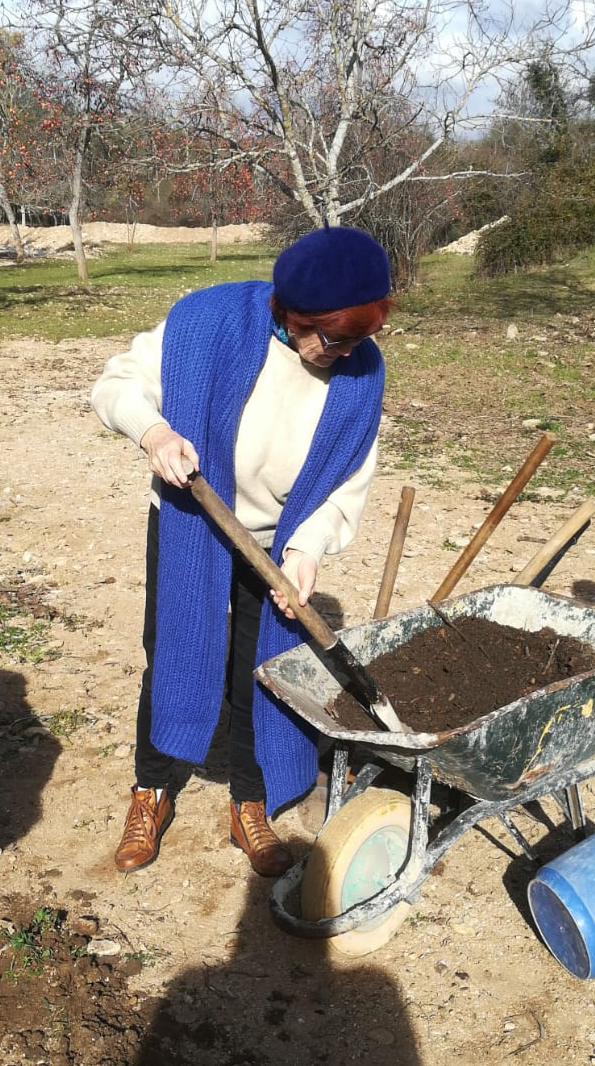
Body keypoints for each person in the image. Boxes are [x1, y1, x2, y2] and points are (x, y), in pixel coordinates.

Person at [91, 223, 392, 878]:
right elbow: (116, 385)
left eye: (360, 337)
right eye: (333, 338)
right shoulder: (207, 321)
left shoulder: (361, 372)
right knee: (171, 648)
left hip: (273, 547)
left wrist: (307, 551)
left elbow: (347, 485)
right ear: (290, 312)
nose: (345, 353)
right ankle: (153, 788)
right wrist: (154, 431)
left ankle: (249, 800)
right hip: (190, 520)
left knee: (265, 674)